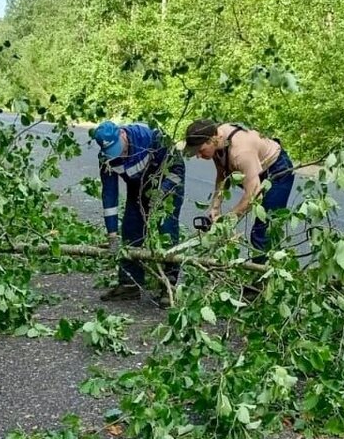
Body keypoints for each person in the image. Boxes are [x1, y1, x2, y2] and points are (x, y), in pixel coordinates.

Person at [94, 120, 185, 306]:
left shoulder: (154, 138)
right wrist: (112, 233)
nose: (119, 154)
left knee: (166, 231)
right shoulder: (106, 158)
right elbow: (109, 194)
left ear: (122, 134)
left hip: (167, 185)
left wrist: (162, 192)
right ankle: (130, 284)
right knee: (131, 230)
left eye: (118, 148)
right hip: (138, 188)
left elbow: (178, 169)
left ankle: (168, 285)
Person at [182, 119, 295, 265]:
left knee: (263, 232)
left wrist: (228, 220)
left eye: (200, 150)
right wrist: (215, 207)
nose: (198, 156)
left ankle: (263, 274)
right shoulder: (218, 142)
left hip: (277, 170)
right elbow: (223, 175)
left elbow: (253, 194)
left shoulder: (240, 152)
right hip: (255, 169)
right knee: (261, 229)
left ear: (213, 140)